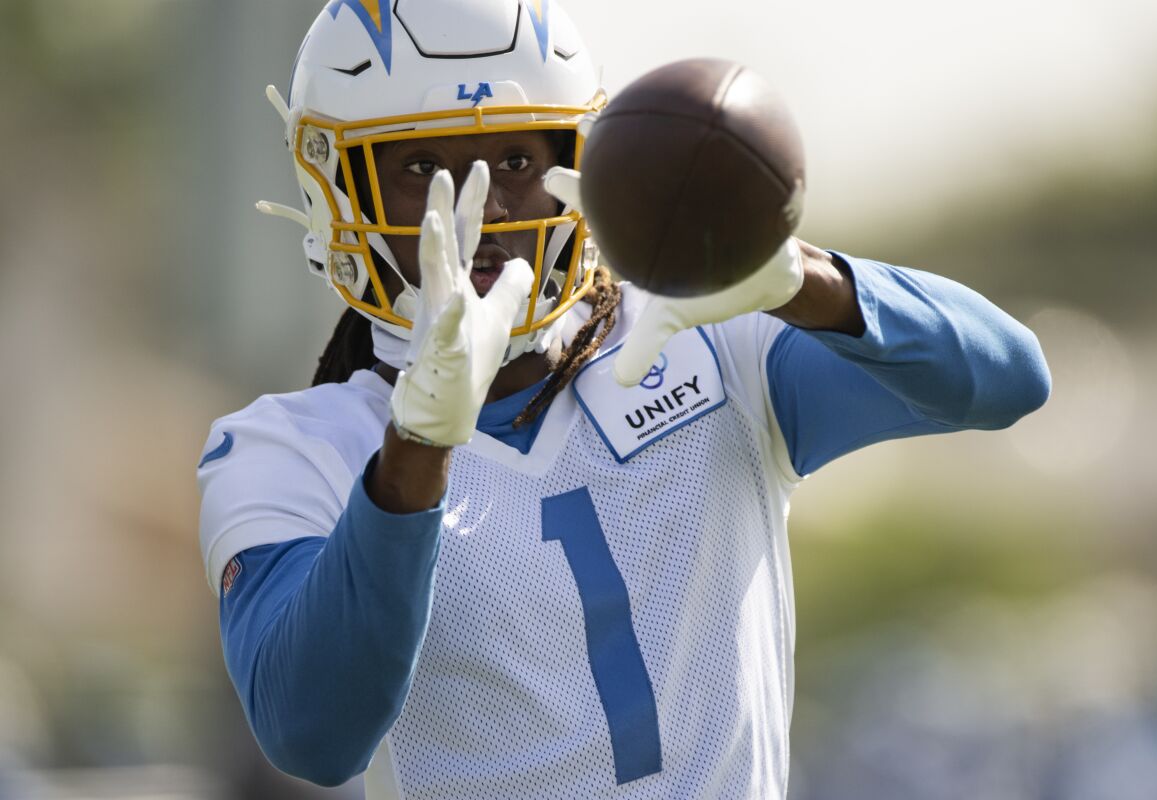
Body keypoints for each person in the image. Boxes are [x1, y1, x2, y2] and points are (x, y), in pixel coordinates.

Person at [197, 0, 1052, 797]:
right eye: (423, 166)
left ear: (581, 164)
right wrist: (416, 444)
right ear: (336, 192)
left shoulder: (710, 334)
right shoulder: (286, 449)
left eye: (517, 160)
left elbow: (1010, 379)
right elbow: (313, 734)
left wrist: (796, 278)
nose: (483, 205)